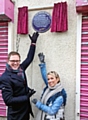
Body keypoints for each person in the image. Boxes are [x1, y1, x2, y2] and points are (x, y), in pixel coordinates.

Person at [0, 32, 39, 120]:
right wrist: (26, 96)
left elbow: (29, 58)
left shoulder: (21, 68)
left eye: (17, 61)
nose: (15, 63)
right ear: (8, 61)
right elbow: (8, 101)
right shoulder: (5, 78)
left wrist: (33, 43)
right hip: (15, 115)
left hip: (25, 111)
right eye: (13, 61)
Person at [32, 53, 67, 120]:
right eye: (48, 79)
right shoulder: (49, 88)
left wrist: (38, 104)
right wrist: (42, 63)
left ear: (57, 79)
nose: (50, 81)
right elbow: (45, 77)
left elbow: (52, 111)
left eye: (52, 78)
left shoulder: (60, 95)